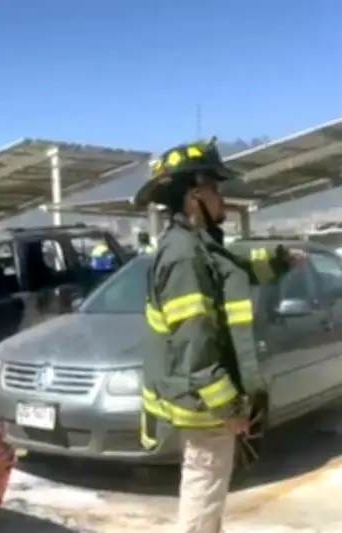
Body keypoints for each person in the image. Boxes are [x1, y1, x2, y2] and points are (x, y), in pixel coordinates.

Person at [133, 138, 302, 533]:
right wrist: (230, 409)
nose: (223, 197)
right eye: (216, 188)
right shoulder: (185, 257)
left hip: (202, 399)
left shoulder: (197, 246)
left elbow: (233, 268)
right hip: (204, 404)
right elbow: (196, 347)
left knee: (207, 493)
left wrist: (278, 261)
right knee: (203, 488)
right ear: (195, 194)